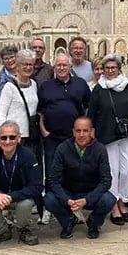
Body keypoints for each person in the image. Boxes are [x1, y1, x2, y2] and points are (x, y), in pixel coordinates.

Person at [44, 117, 116, 239]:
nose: (81, 135)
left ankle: (94, 223)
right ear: (73, 132)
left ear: (91, 131)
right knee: (49, 200)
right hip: (69, 193)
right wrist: (66, 199)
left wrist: (87, 200)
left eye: (85, 131)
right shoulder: (63, 148)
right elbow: (53, 180)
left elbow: (106, 181)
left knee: (109, 200)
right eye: (78, 131)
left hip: (90, 192)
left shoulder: (100, 149)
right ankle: (68, 222)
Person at [88, 54, 128, 225]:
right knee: (111, 172)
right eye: (107, 68)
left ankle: (122, 198)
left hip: (126, 134)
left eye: (113, 68)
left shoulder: (127, 86)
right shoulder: (99, 89)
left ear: (119, 69)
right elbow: (91, 114)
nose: (110, 71)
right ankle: (115, 205)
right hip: (106, 135)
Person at [0, 121, 43, 246]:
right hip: (0, 196)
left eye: (12, 137)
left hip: (21, 197)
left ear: (19, 139)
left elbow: (37, 186)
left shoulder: (29, 156)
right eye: (3, 137)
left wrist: (11, 197)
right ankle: (2, 230)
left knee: (26, 204)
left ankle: (23, 228)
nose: (7, 141)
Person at [37, 53, 91, 184]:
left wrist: (85, 130)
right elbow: (39, 112)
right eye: (58, 65)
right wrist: (44, 131)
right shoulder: (46, 86)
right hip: (52, 138)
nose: (62, 68)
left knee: (75, 171)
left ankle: (74, 201)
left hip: (75, 138)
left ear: (70, 66)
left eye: (64, 65)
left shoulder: (81, 84)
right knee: (52, 172)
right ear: (54, 68)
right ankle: (52, 202)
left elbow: (88, 107)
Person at [0, 49, 41, 160]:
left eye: (30, 64)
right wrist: (2, 137)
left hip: (31, 137)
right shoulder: (9, 87)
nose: (28, 67)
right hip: (14, 138)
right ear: (17, 66)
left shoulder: (34, 85)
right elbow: (1, 114)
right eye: (25, 64)